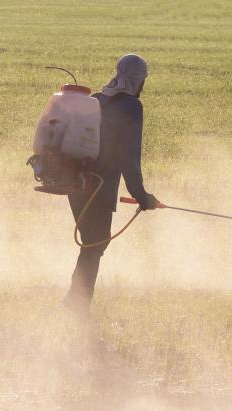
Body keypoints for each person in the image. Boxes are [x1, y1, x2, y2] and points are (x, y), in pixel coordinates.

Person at [65, 54, 160, 313]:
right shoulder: (131, 107)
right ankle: (77, 304)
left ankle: (76, 301)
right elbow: (129, 156)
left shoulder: (96, 99)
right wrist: (141, 194)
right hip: (100, 187)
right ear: (138, 80)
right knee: (95, 243)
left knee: (93, 241)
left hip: (75, 183)